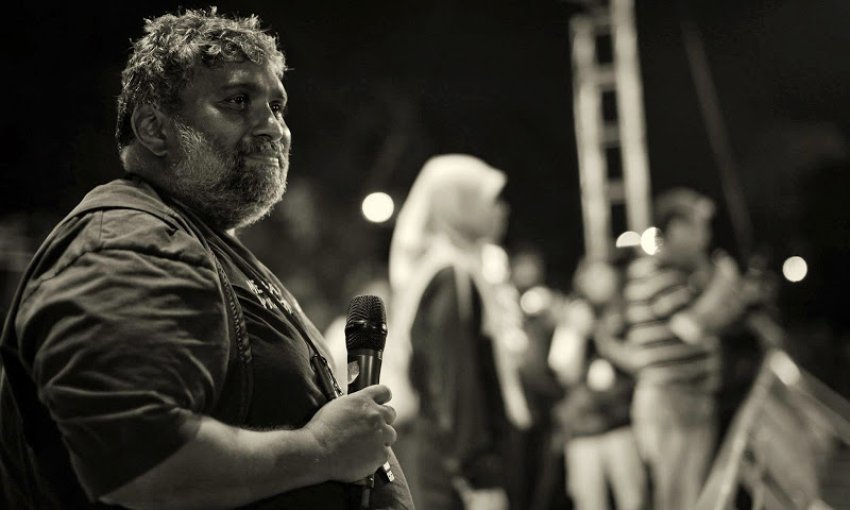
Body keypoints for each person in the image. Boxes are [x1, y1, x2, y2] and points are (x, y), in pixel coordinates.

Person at [0, 9, 412, 510]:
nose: (272, 128)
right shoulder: (132, 239)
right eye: (238, 101)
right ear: (154, 128)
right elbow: (142, 463)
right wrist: (320, 450)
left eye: (277, 106)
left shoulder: (199, 240)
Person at [389, 154, 532, 510]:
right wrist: (476, 471)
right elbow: (452, 381)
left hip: (445, 456)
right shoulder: (450, 275)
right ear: (459, 205)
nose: (503, 210)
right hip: (453, 467)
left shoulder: (449, 268)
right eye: (490, 199)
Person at [622, 188, 747, 510]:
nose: (705, 238)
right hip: (672, 400)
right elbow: (692, 327)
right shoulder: (653, 273)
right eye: (699, 227)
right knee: (678, 498)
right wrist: (722, 282)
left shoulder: (677, 276)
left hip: (689, 398)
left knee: (692, 495)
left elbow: (715, 322)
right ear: (676, 229)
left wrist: (728, 295)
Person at [548, 258, 646, 510]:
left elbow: (639, 361)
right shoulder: (573, 317)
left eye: (604, 276)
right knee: (589, 502)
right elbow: (565, 374)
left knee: (633, 499)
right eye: (592, 277)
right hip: (583, 430)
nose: (599, 283)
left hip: (621, 423)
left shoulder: (627, 313)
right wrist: (578, 332)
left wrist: (601, 337)